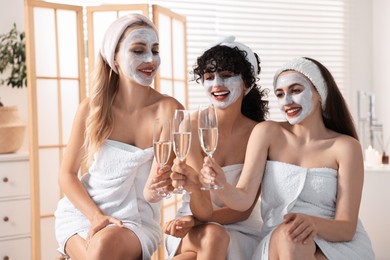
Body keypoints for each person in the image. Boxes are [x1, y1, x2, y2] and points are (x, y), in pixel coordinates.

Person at [201, 57, 375, 259]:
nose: (287, 101)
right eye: (280, 94)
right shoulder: (267, 133)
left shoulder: (346, 147)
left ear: (320, 93)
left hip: (338, 245)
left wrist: (313, 223)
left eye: (296, 90)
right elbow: (243, 199)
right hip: (281, 242)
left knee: (294, 237)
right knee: (291, 235)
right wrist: (221, 183)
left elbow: (346, 228)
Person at [54, 13, 183, 260]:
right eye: (138, 50)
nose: (150, 59)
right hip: (84, 213)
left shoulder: (169, 110)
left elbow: (152, 192)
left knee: (101, 249)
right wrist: (96, 217)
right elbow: (67, 175)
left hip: (136, 221)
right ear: (114, 57)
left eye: (155, 50)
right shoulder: (92, 108)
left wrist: (163, 185)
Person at [145, 36, 269, 259]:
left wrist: (196, 220)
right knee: (212, 236)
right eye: (209, 77)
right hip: (191, 220)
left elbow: (244, 209)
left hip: (240, 227)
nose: (217, 84)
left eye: (227, 75)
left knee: (205, 244)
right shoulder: (191, 125)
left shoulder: (259, 133)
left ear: (247, 83)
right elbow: (199, 197)